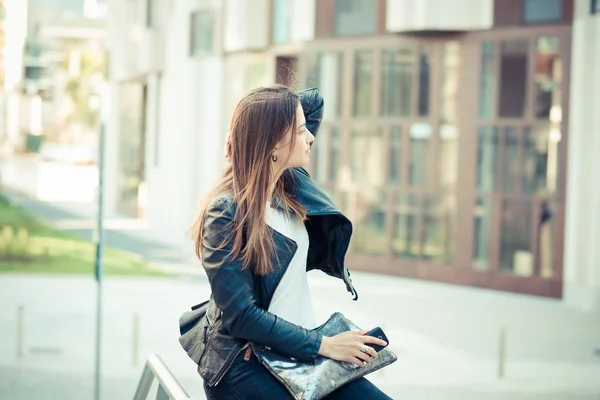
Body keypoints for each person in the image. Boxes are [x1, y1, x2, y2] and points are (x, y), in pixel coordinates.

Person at [189, 86, 392, 399]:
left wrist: (251, 128)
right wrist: (327, 345)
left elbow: (315, 102)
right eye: (300, 131)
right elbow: (241, 317)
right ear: (273, 143)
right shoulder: (225, 212)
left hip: (298, 351)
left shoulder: (285, 184)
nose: (310, 136)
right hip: (248, 365)